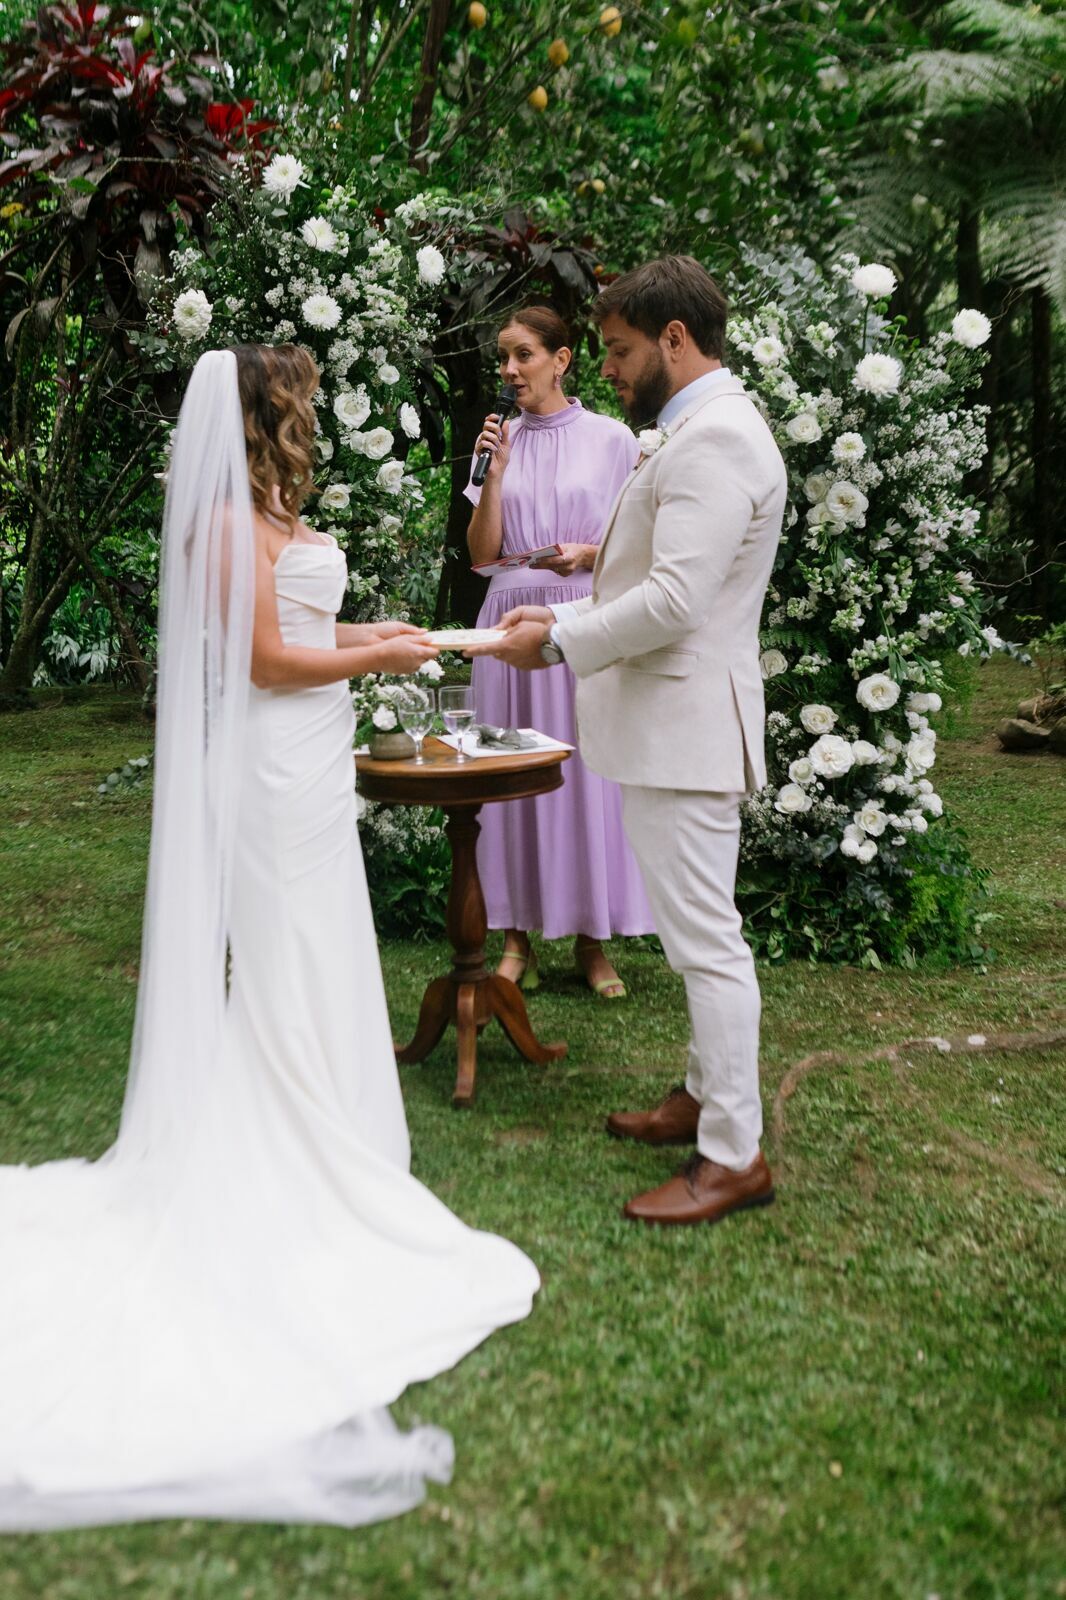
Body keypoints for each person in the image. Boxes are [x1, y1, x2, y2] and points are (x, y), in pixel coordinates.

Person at [0, 344, 539, 1531]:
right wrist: (382, 654)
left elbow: (314, 632)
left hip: (306, 765)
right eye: (293, 400)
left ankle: (332, 1125)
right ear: (261, 417)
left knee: (319, 945)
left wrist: (375, 630)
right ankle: (293, 1149)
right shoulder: (227, 531)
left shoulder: (271, 514)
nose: (307, 412)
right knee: (289, 951)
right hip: (270, 763)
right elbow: (262, 663)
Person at [468, 257, 787, 1228]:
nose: (609, 368)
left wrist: (559, 637)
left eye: (618, 350)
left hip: (686, 727)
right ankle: (700, 1096)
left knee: (707, 945)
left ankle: (732, 1153)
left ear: (674, 341)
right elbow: (660, 561)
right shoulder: (689, 433)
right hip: (664, 726)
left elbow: (681, 598)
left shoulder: (716, 439)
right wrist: (582, 566)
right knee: (697, 940)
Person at [466, 304, 654, 1000]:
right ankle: (514, 938)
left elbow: (643, 547)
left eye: (523, 355)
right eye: (504, 358)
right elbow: (481, 555)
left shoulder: (612, 441)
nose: (510, 370)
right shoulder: (497, 440)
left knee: (585, 778)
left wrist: (590, 552)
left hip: (579, 614)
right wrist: (493, 473)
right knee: (506, 775)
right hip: (504, 618)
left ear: (562, 358)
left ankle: (592, 940)